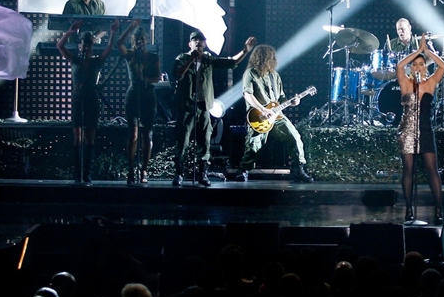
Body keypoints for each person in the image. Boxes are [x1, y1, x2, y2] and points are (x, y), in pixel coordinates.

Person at [173, 31, 256, 187]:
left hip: (204, 106)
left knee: (205, 140)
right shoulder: (182, 58)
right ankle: (179, 173)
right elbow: (177, 75)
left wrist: (245, 50)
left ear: (205, 44)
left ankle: (202, 174)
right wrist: (191, 59)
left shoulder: (208, 59)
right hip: (187, 106)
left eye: (201, 40)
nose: (198, 42)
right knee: (182, 141)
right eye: (195, 40)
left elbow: (231, 62)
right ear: (190, 44)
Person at [57, 19, 120, 185]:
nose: (85, 48)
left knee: (89, 138)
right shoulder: (75, 60)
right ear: (80, 46)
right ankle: (78, 174)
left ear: (91, 47)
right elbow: (60, 46)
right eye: (83, 45)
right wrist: (70, 32)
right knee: (77, 138)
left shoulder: (96, 61)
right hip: (77, 100)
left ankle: (87, 174)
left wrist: (112, 32)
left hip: (91, 100)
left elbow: (109, 49)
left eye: (88, 45)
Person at [241, 44, 313, 183]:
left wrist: (294, 102)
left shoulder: (275, 75)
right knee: (254, 143)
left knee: (294, 136)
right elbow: (247, 94)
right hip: (259, 115)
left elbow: (281, 99)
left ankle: (298, 169)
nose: (271, 60)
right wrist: (263, 109)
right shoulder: (250, 73)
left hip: (277, 116)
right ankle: (244, 170)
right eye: (268, 57)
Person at [395, 33, 444, 225]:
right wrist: (416, 51)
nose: (417, 66)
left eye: (421, 64)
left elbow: (443, 66)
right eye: (415, 64)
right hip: (407, 130)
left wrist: (427, 52)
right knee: (408, 170)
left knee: (432, 169)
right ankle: (409, 209)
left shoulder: (431, 83)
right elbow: (399, 66)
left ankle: (438, 209)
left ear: (425, 67)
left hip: (425, 129)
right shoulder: (406, 83)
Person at [117, 19, 161, 186]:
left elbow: (157, 77)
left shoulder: (153, 56)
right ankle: (130, 169)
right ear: (133, 41)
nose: (139, 42)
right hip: (133, 93)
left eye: (142, 39)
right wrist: (131, 27)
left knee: (147, 134)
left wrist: (146, 78)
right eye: (136, 39)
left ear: (146, 41)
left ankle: (143, 169)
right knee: (133, 134)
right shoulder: (129, 55)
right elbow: (119, 43)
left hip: (148, 94)